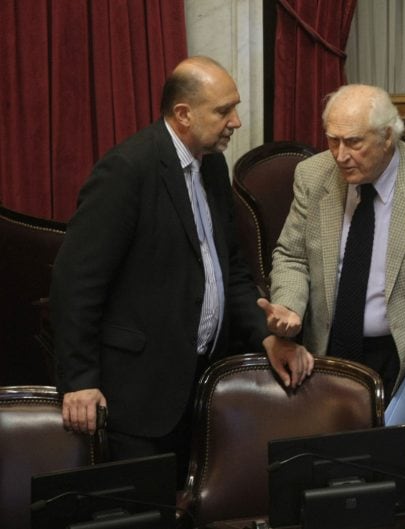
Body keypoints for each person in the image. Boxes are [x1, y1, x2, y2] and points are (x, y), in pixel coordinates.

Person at [50, 56, 314, 481]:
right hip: (136, 396)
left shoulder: (212, 165)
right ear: (184, 114)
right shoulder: (127, 170)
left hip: (200, 386)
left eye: (235, 108)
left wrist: (267, 335)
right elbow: (76, 282)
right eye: (223, 111)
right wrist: (80, 379)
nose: (236, 122)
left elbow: (230, 268)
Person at [259, 84, 405, 399]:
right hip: (327, 349)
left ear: (387, 137)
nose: (340, 156)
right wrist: (289, 306)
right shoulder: (313, 177)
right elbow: (292, 256)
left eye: (354, 142)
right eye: (332, 140)